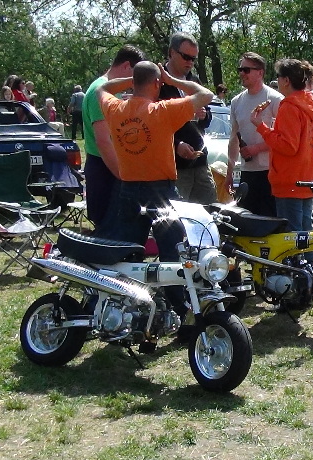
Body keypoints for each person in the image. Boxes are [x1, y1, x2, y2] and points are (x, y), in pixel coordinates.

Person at [98, 61, 214, 323]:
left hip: (128, 190)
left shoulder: (116, 108)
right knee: (172, 254)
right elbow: (205, 95)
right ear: (157, 83)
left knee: (128, 254)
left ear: (134, 83)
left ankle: (127, 310)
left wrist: (131, 80)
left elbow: (101, 89)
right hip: (161, 192)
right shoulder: (162, 110)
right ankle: (180, 310)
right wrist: (173, 80)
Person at [251, 59, 313, 255]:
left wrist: (262, 127)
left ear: (286, 80)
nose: (276, 81)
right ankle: (308, 269)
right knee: (306, 234)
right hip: (309, 179)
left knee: (292, 237)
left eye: (278, 77)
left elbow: (288, 146)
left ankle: (298, 272)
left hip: (289, 180)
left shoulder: (289, 106)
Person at [82, 44, 146, 233]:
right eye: (135, 76)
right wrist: (124, 176)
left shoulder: (113, 92)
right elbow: (104, 141)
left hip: (111, 167)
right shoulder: (99, 91)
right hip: (104, 168)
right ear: (126, 66)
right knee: (108, 232)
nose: (135, 83)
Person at [160, 32, 217, 205]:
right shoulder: (158, 81)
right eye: (186, 57)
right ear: (172, 52)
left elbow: (207, 118)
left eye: (193, 59)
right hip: (174, 166)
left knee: (210, 210)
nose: (190, 62)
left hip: (200, 162)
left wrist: (204, 115)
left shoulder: (194, 80)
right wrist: (176, 144)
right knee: (177, 214)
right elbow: (155, 123)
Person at [228, 51, 283, 216]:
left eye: (246, 70)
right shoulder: (236, 102)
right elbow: (233, 138)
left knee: (269, 222)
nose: (242, 74)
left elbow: (283, 138)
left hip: (270, 173)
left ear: (260, 72)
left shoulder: (275, 99)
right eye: (240, 69)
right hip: (247, 173)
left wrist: (255, 149)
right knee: (247, 221)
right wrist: (229, 173)